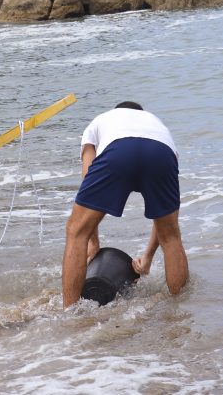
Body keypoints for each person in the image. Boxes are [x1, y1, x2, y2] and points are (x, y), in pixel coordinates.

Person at [61, 101, 189, 307]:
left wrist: (92, 242)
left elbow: (87, 178)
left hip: (118, 149)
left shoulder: (100, 121)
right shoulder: (157, 126)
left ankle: (69, 313)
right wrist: (147, 257)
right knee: (171, 236)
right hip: (161, 153)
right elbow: (162, 215)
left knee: (76, 231)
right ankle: (181, 309)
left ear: (116, 111)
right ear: (141, 114)